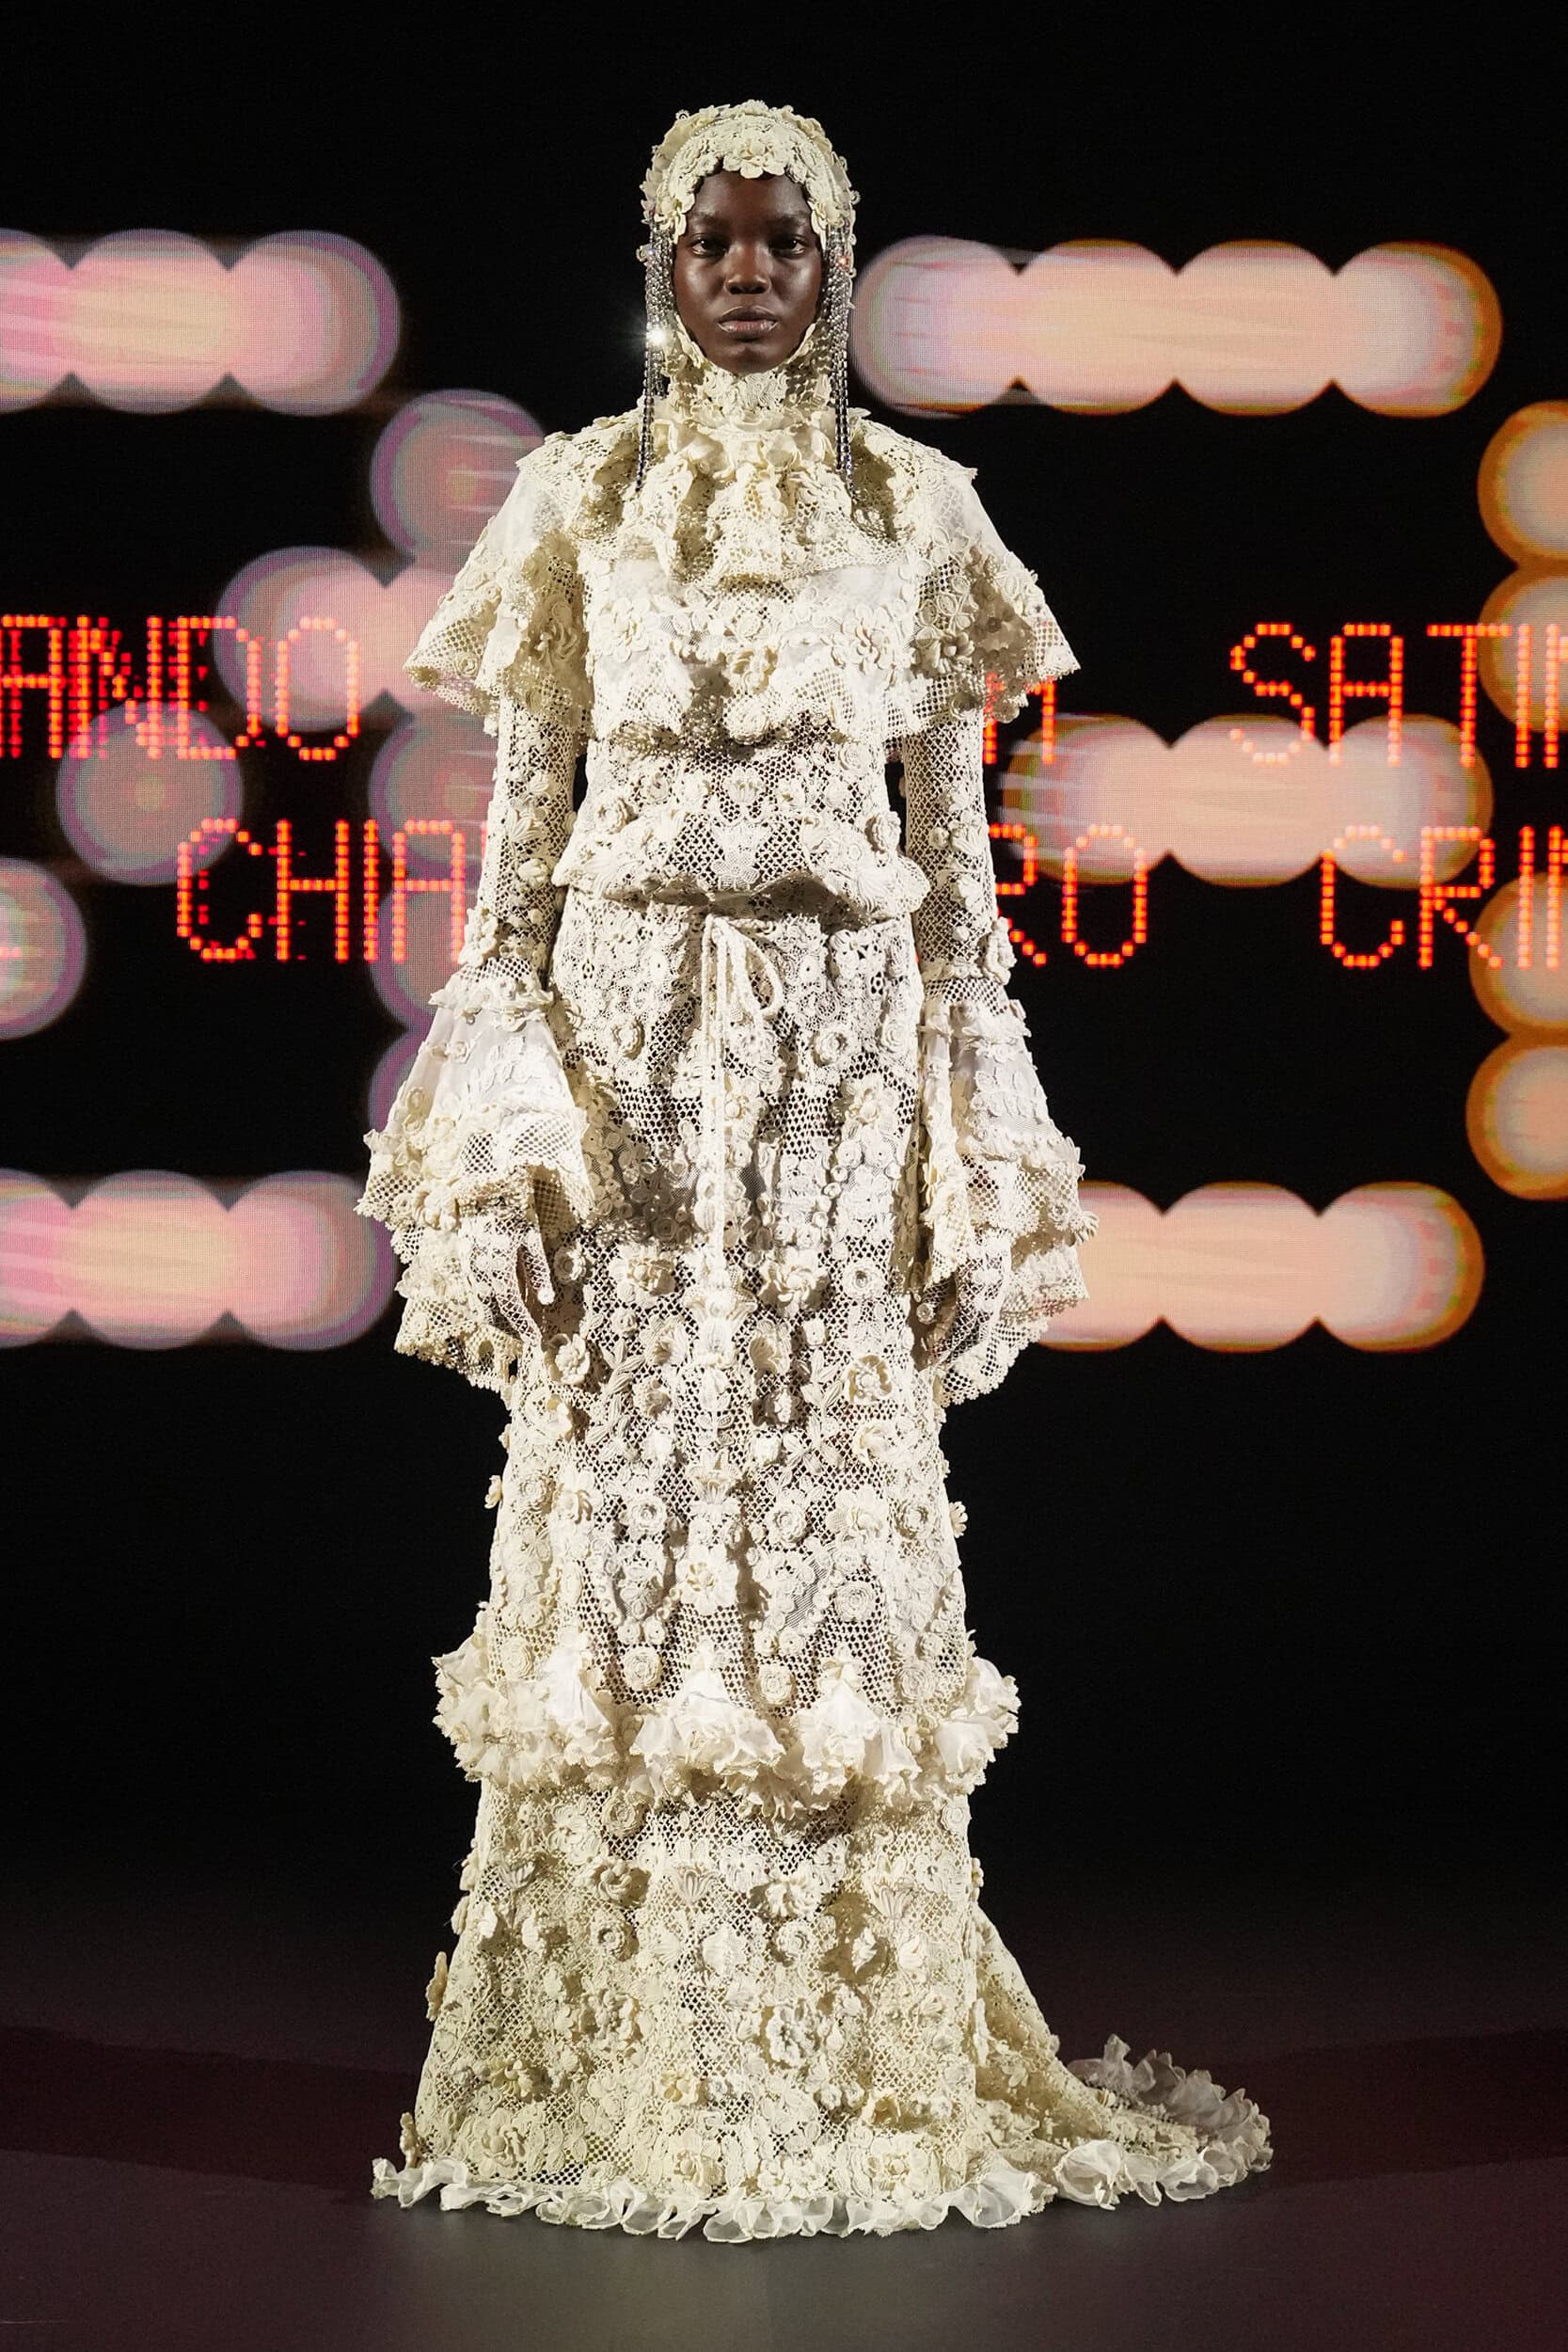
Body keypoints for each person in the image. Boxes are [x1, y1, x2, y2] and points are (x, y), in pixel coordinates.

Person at [359, 99, 1271, 2241]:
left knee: (819, 1529)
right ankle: (627, 2054)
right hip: (635, 1066)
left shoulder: (918, 515)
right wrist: (511, 1126)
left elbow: (959, 886)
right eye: (717, 242)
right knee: (638, 1527)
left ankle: (840, 2051)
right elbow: (516, 868)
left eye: (784, 241)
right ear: (664, 265)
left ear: (834, 264)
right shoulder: (580, 502)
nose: (751, 274)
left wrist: (973, 1141)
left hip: (835, 1081)